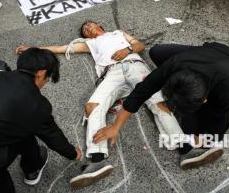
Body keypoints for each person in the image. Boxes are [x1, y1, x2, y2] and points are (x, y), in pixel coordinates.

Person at [16, 21, 185, 190]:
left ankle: (185, 147)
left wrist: (127, 49)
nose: (88, 28)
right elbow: (61, 48)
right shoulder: (91, 43)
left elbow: (139, 44)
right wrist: (33, 50)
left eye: (90, 24)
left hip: (134, 65)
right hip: (112, 73)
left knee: (158, 103)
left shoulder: (118, 33)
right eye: (85, 29)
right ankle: (97, 159)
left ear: (100, 26)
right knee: (92, 107)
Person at [93, 42, 229, 169]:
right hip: (208, 52)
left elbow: (221, 122)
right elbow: (140, 93)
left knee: (191, 129)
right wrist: (115, 126)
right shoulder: (174, 65)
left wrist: (202, 138)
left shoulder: (227, 89)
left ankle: (197, 124)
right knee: (157, 51)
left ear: (204, 101)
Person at [0, 48, 82, 193]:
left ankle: (32, 166)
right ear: (41, 73)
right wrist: (73, 153)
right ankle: (32, 168)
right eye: (48, 78)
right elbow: (52, 136)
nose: (45, 82)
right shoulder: (37, 104)